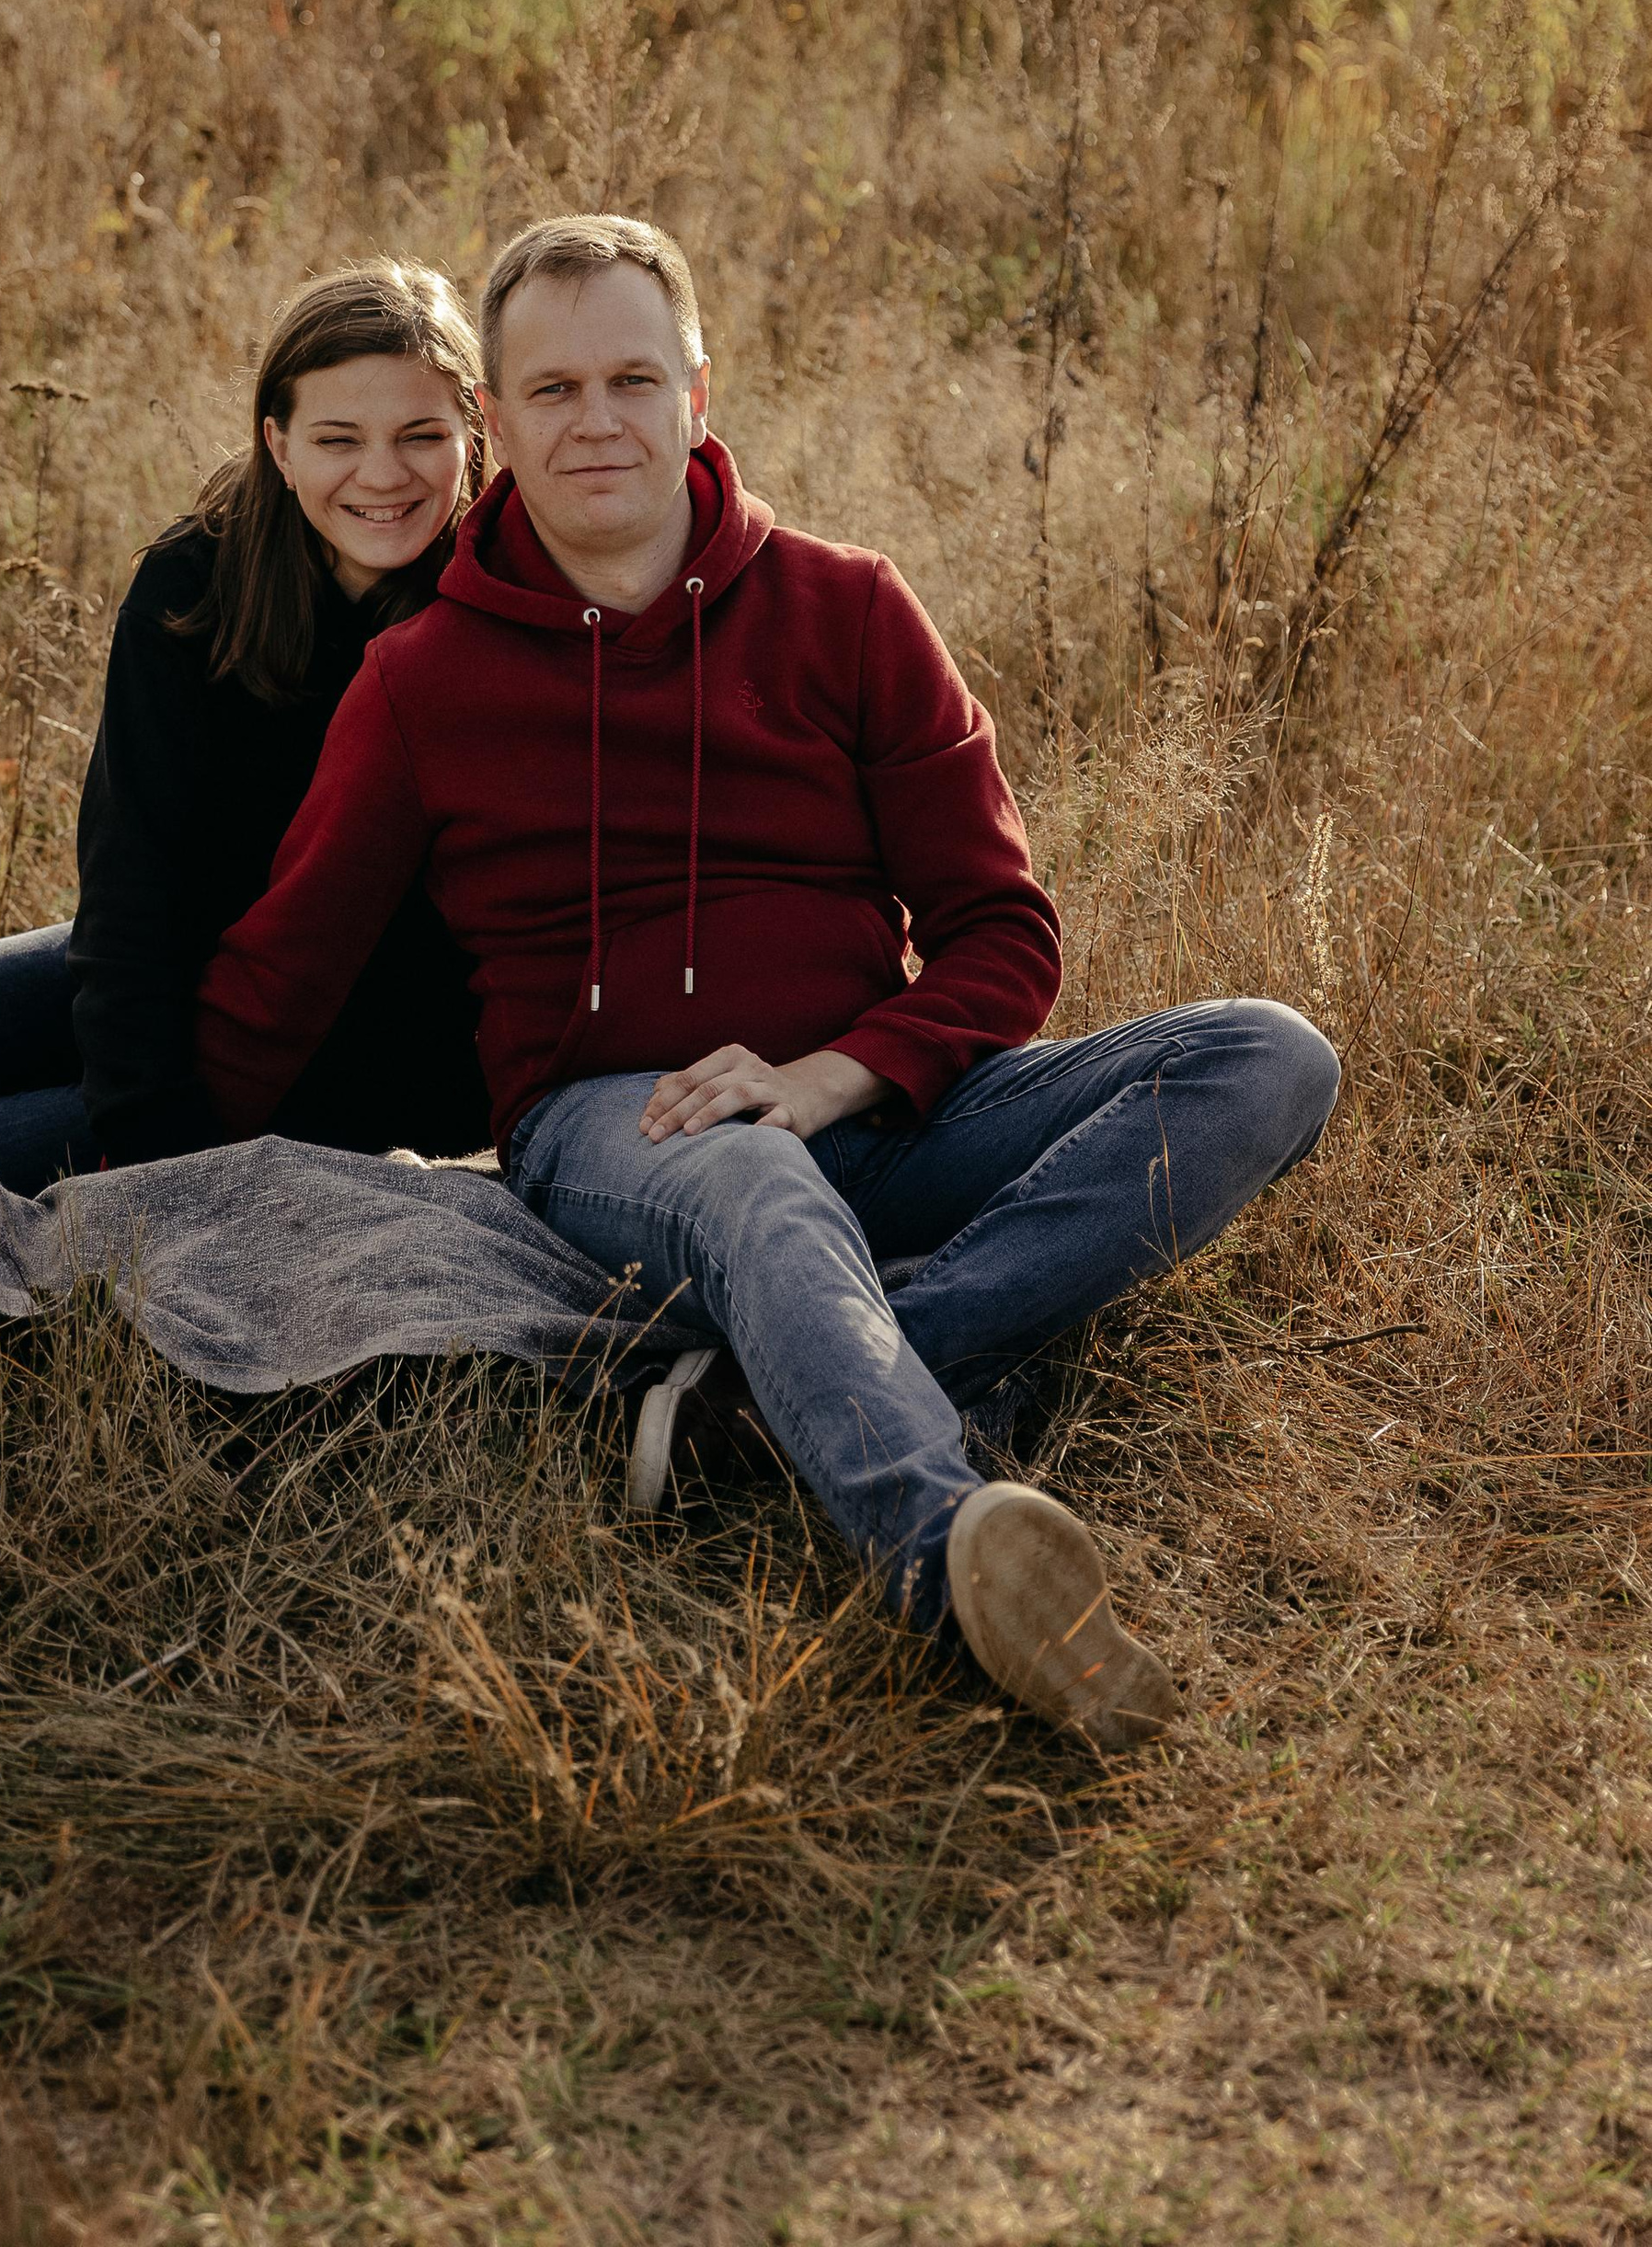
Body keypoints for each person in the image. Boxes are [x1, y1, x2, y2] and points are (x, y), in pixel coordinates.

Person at [195, 213, 1341, 1749]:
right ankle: (953, 1567)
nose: (596, 422)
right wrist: (114, 1145)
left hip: (878, 1100)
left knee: (1265, 1056)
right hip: (619, 1128)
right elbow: (284, 970)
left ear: (698, 394)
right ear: (495, 425)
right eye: (551, 391)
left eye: (631, 380)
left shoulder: (849, 608)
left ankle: (776, 1391)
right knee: (752, 1184)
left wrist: (835, 1076)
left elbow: (1004, 933)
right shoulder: (422, 682)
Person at [0, 262, 493, 1187]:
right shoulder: (200, 580)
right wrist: (143, 1101)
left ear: (473, 436)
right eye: (338, 438)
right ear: (278, 444)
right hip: (176, 964)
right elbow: (132, 877)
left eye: (421, 435)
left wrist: (165, 1158)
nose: (382, 475)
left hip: (330, 1053)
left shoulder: (490, 609)